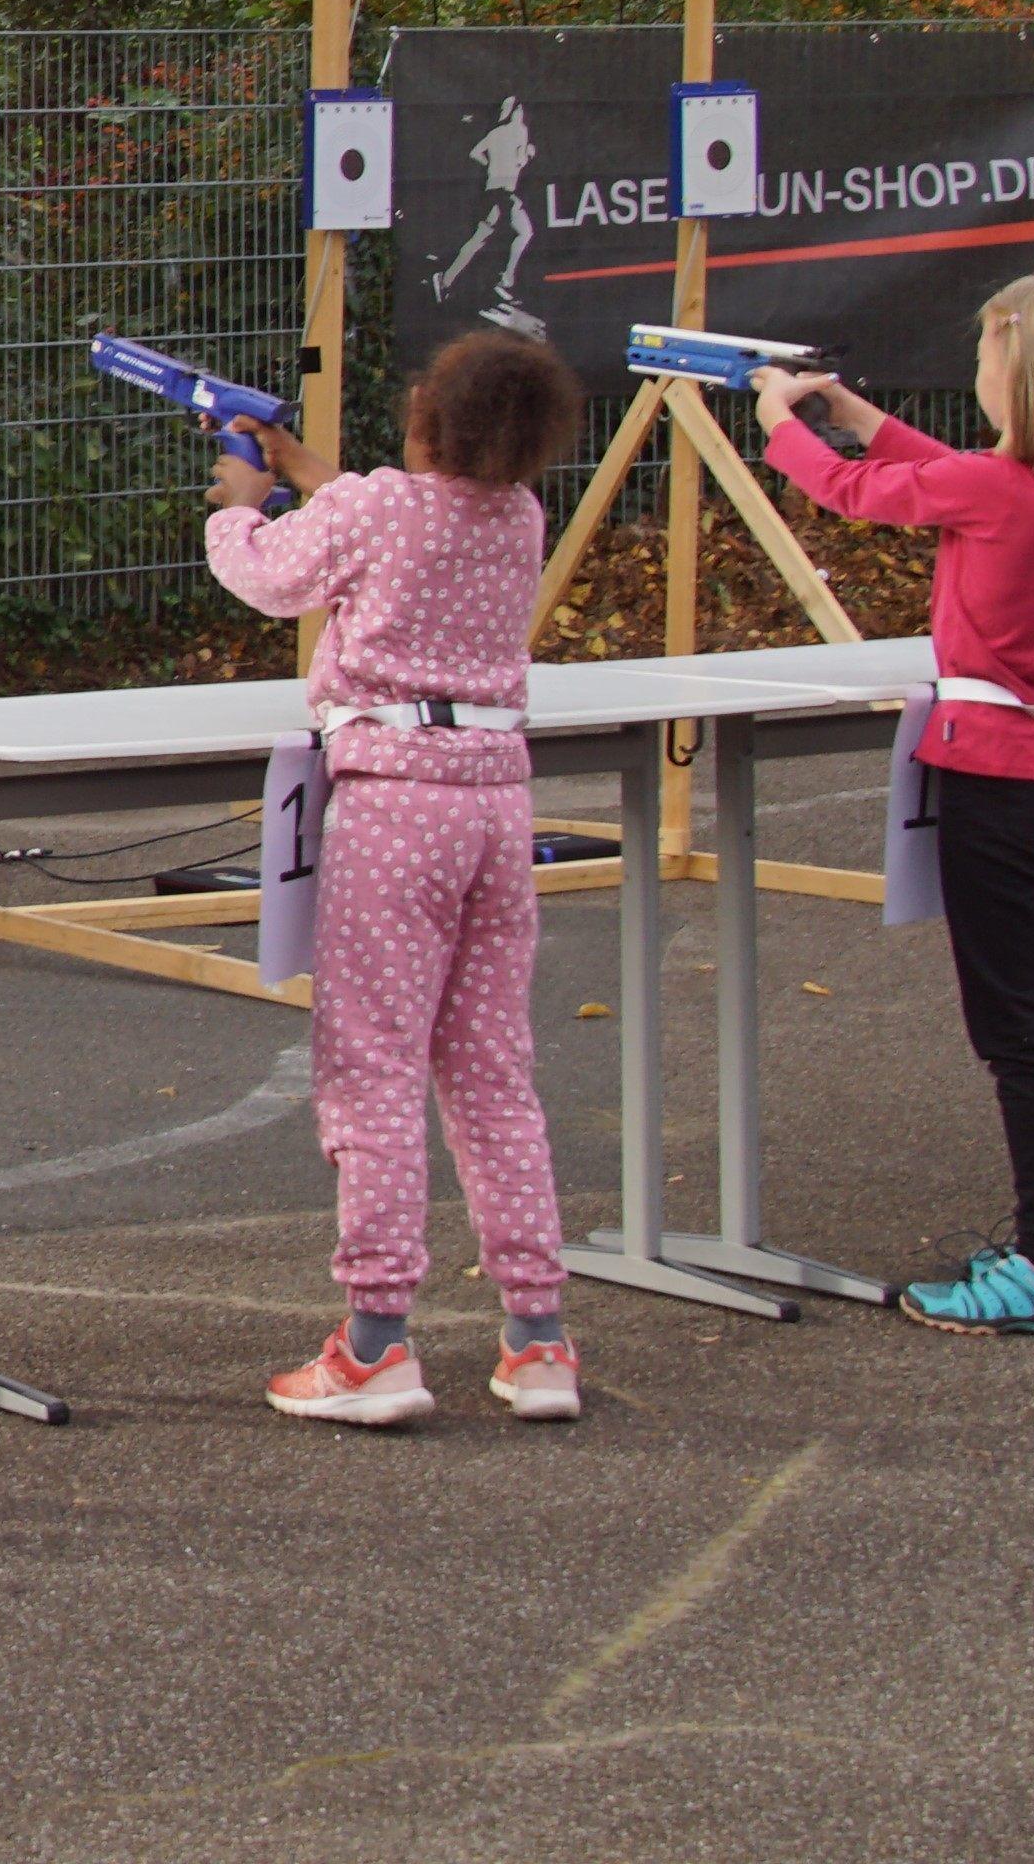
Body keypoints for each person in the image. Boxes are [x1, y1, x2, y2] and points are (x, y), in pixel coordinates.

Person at [753, 273, 1034, 1334]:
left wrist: (781, 428)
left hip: (993, 782)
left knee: (1015, 1032)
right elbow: (944, 474)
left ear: (1024, 382)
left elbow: (858, 496)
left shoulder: (995, 488)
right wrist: (851, 414)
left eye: (987, 360)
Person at [202, 328, 588, 1431]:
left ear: (425, 420)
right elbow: (392, 502)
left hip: (391, 805)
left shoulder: (373, 510)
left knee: (371, 1066)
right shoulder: (513, 515)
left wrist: (240, 494)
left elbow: (269, 576)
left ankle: (373, 1336)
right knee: (489, 1069)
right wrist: (304, 467)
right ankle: (536, 1331)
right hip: (494, 804)